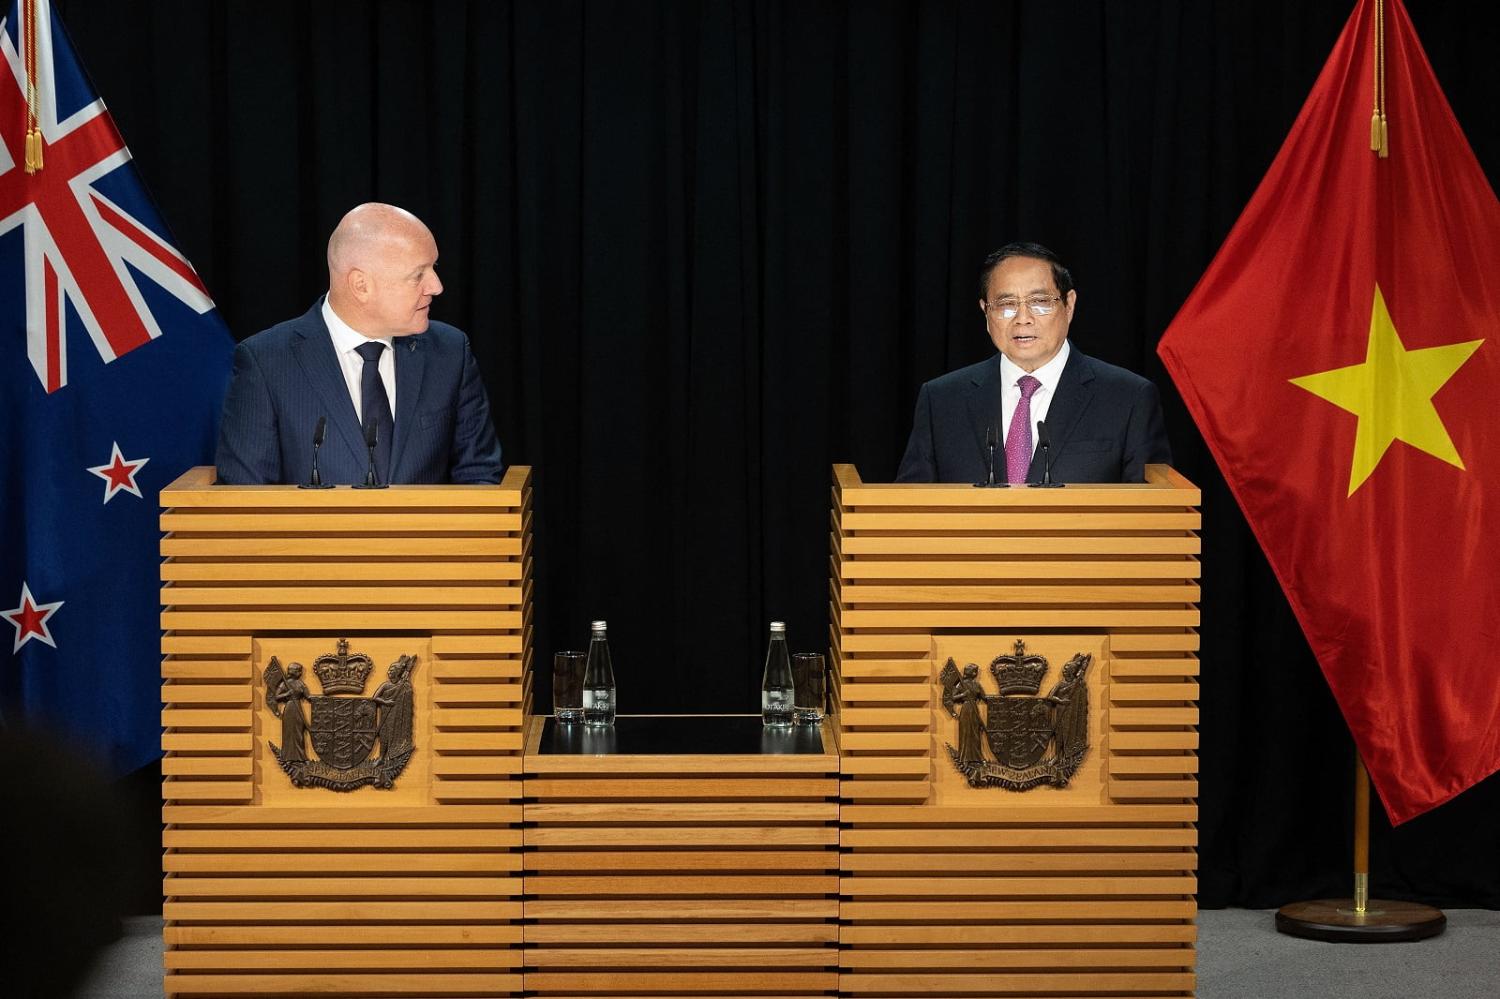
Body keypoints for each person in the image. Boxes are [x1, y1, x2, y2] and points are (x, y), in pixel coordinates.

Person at [215, 203, 502, 485]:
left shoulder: (450, 352)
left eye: (433, 267)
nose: (436, 286)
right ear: (360, 285)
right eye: (418, 274)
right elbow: (245, 501)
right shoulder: (267, 361)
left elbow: (480, 477)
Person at [896, 242, 1170, 483]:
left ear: (1069, 304)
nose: (1023, 318)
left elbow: (1153, 516)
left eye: (1040, 302)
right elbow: (909, 511)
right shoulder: (942, 400)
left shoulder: (1128, 398)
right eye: (1006, 304)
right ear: (985, 312)